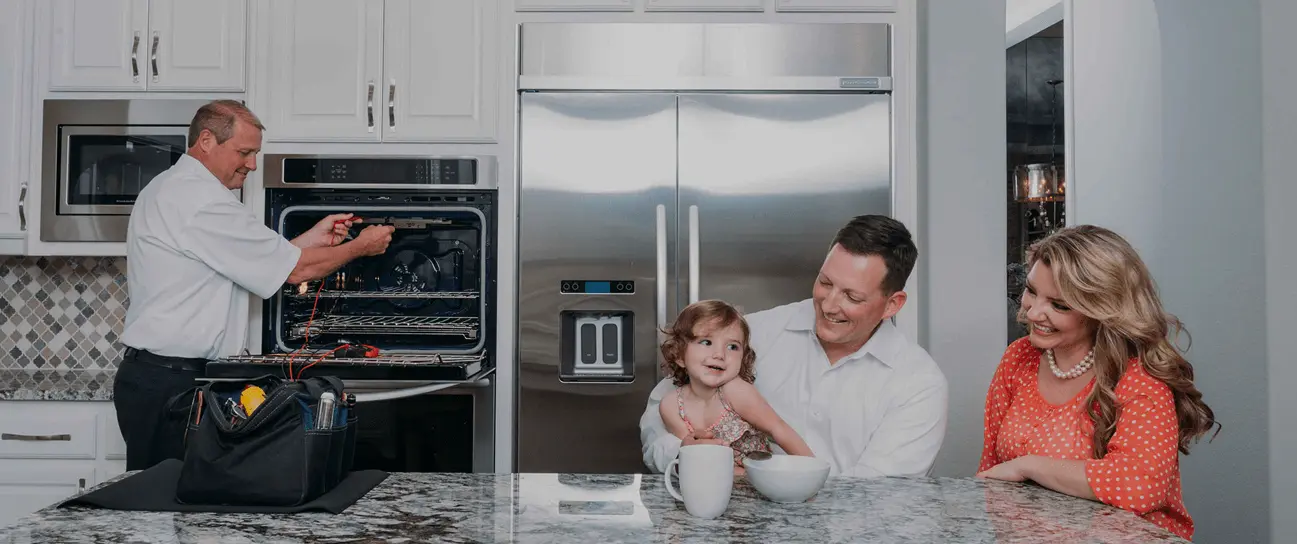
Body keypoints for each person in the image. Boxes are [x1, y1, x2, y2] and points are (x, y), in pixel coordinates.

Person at [113, 100, 395, 470]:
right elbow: (295, 272)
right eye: (244, 152)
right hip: (171, 384)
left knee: (179, 511)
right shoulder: (200, 200)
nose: (251, 164)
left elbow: (259, 262)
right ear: (207, 140)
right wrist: (361, 247)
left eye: (255, 153)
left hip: (165, 379)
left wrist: (312, 237)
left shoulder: (174, 188)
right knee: (165, 507)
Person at [640, 215, 949, 478]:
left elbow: (877, 497)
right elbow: (661, 412)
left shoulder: (918, 384)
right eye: (825, 283)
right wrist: (684, 454)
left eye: (852, 297)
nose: (829, 305)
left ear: (892, 304)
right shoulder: (750, 334)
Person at [976, 225, 1218, 541]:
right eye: (1031, 290)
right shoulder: (1018, 357)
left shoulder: (1140, 379)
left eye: (1059, 305)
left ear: (1101, 309)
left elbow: (1138, 487)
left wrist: (1029, 466)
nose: (1033, 312)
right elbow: (991, 474)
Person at [658, 299, 815, 474]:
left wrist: (815, 473)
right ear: (679, 354)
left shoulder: (735, 391)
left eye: (732, 346)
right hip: (710, 484)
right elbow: (691, 456)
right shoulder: (671, 406)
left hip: (759, 483)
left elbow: (778, 429)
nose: (719, 354)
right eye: (706, 342)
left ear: (744, 358)